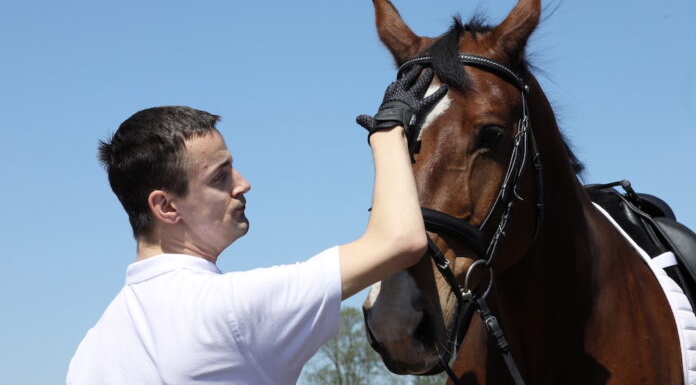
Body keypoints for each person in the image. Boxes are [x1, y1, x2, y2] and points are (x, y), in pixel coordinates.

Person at [67, 65, 447, 384]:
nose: (243, 183)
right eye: (220, 177)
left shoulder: (91, 351)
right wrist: (387, 132)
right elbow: (401, 240)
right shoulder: (228, 311)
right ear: (166, 206)